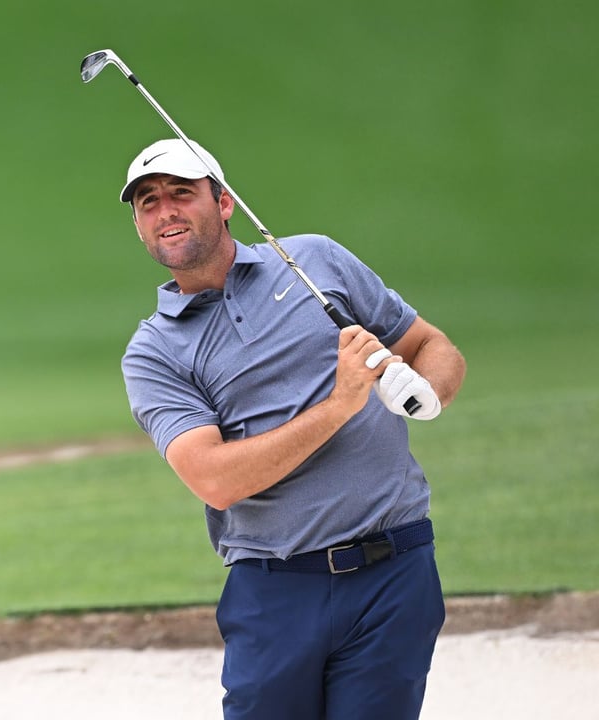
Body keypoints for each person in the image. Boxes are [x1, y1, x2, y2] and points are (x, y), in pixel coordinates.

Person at [118, 138, 467, 719]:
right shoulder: (154, 352)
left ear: (224, 202)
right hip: (275, 590)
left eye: (182, 193)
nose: (166, 211)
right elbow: (214, 479)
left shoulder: (315, 262)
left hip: (394, 573)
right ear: (138, 225)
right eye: (148, 203)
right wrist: (339, 404)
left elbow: (430, 344)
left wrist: (428, 393)